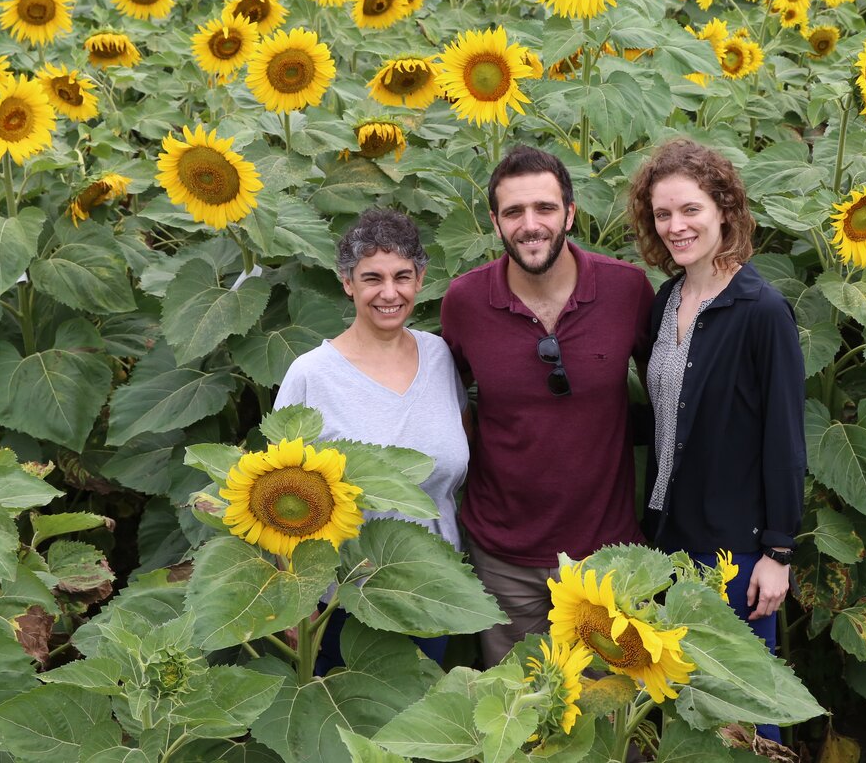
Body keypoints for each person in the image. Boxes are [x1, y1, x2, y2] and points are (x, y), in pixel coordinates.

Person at [441, 144, 655, 668]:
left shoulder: (626, 290)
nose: (530, 224)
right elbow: (442, 402)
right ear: (494, 222)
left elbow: (669, 393)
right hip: (504, 557)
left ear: (571, 213)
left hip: (607, 554)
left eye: (545, 208)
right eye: (513, 212)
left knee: (611, 715)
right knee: (519, 719)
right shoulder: (465, 302)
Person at [627, 138, 807, 742]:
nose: (676, 226)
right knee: (687, 712)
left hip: (736, 549)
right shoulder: (667, 300)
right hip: (669, 538)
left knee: (744, 705)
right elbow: (665, 417)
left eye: (691, 210)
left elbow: (784, 439)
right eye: (663, 215)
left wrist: (778, 554)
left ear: (724, 209)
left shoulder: (762, 311)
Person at [274, 208, 468, 670]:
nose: (389, 292)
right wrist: (295, 597)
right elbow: (276, 496)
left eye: (402, 276)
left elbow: (461, 447)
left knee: (420, 728)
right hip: (342, 602)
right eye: (372, 278)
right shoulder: (312, 376)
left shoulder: (439, 356)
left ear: (420, 279)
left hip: (430, 591)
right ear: (348, 283)